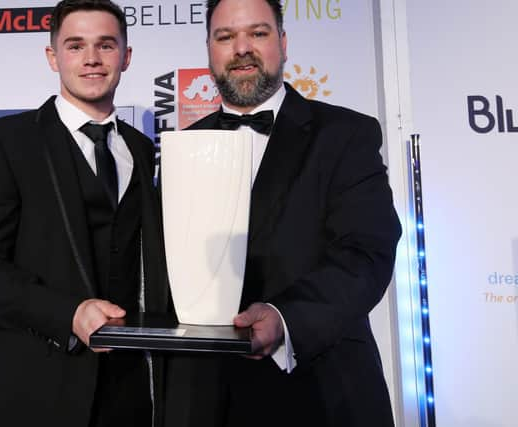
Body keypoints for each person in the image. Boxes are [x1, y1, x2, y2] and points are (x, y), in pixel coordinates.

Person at [164, 0, 402, 426]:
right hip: (206, 399)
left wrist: (285, 318)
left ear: (284, 42)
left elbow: (367, 254)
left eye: (258, 33)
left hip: (320, 391)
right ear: (209, 50)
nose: (241, 48)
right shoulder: (181, 147)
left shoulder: (346, 135)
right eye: (225, 37)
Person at [0, 1, 168, 426]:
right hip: (34, 386)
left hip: (127, 391)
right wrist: (68, 313)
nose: (91, 59)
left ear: (126, 56)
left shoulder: (142, 150)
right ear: (53, 57)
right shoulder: (5, 142)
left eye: (105, 45)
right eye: (75, 45)